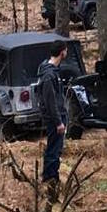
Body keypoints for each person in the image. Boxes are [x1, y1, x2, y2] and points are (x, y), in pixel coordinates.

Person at [36, 42, 72, 182]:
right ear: (62, 52)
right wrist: (58, 122)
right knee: (53, 149)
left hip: (58, 116)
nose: (66, 53)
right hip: (54, 120)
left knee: (56, 148)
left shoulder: (53, 71)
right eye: (66, 51)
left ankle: (53, 176)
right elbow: (50, 102)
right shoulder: (49, 75)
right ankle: (50, 178)